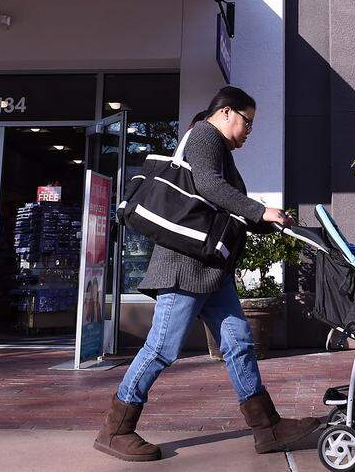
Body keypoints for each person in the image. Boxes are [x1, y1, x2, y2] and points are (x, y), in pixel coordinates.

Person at [94, 87, 319, 462]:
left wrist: (265, 221)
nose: (249, 131)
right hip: (184, 265)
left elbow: (219, 209)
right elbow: (208, 186)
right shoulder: (204, 135)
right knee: (162, 348)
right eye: (247, 121)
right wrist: (260, 210)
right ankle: (116, 428)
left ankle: (267, 428)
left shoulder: (219, 147)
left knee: (239, 343)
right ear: (226, 112)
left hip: (209, 269)